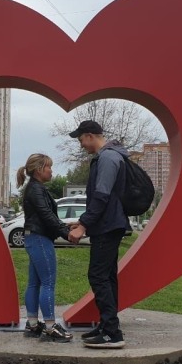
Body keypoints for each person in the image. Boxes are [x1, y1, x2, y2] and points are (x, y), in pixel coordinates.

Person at [67, 120, 131, 349]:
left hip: (107, 226)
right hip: (109, 224)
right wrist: (83, 220)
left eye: (81, 139)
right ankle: (107, 326)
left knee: (98, 276)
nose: (81, 144)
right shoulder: (112, 156)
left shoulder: (107, 158)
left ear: (91, 135)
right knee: (108, 277)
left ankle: (112, 333)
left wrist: (83, 225)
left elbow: (102, 196)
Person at [16, 153, 73, 342]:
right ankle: (50, 327)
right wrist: (66, 234)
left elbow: (46, 215)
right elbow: (46, 215)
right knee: (48, 283)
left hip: (33, 238)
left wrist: (64, 227)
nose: (51, 170)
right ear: (40, 170)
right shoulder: (36, 190)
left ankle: (32, 325)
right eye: (49, 167)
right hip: (40, 239)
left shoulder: (34, 188)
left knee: (34, 283)